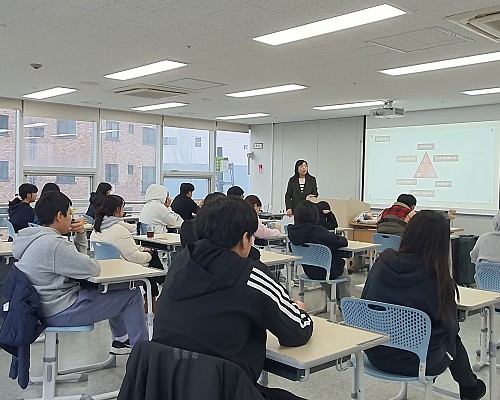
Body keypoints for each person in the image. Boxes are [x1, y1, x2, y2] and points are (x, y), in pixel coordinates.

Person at [153, 196, 313, 400]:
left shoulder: (180, 264)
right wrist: (299, 310)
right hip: (226, 390)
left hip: (167, 388)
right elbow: (296, 332)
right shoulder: (251, 275)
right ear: (245, 238)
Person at [362, 211, 486, 400]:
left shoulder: (381, 264)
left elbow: (365, 305)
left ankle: (468, 385)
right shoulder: (437, 279)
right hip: (418, 362)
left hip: (376, 353)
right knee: (451, 335)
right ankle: (469, 386)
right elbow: (451, 329)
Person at [12, 191, 148, 355]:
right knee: (131, 295)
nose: (72, 218)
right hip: (58, 310)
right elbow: (91, 268)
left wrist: (80, 234)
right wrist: (81, 236)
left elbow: (76, 264)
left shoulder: (32, 239)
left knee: (115, 290)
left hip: (40, 307)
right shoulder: (54, 245)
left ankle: (121, 340)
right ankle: (143, 354)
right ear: (59, 216)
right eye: (70, 214)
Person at [91, 194, 165, 302]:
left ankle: (153, 298)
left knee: (150, 258)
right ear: (118, 209)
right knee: (152, 258)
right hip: (123, 268)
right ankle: (163, 285)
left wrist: (141, 249)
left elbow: (121, 247)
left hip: (106, 267)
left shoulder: (97, 228)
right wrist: (148, 255)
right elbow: (135, 257)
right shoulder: (119, 230)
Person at [287, 200, 351, 300]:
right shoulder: (318, 231)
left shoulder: (292, 231)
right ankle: (345, 304)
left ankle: (335, 299)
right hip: (328, 271)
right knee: (344, 276)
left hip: (309, 270)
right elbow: (341, 242)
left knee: (325, 274)